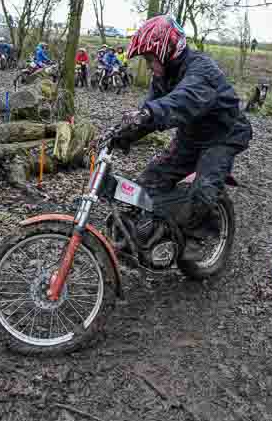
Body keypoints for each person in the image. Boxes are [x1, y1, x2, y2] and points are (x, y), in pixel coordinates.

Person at [108, 14, 253, 259]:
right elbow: (152, 109)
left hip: (223, 135)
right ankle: (157, 226)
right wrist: (124, 134)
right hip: (192, 136)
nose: (149, 65)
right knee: (148, 181)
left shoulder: (201, 70)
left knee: (203, 190)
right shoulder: (163, 76)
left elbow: (181, 101)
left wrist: (149, 113)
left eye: (150, 58)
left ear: (168, 51)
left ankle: (199, 236)